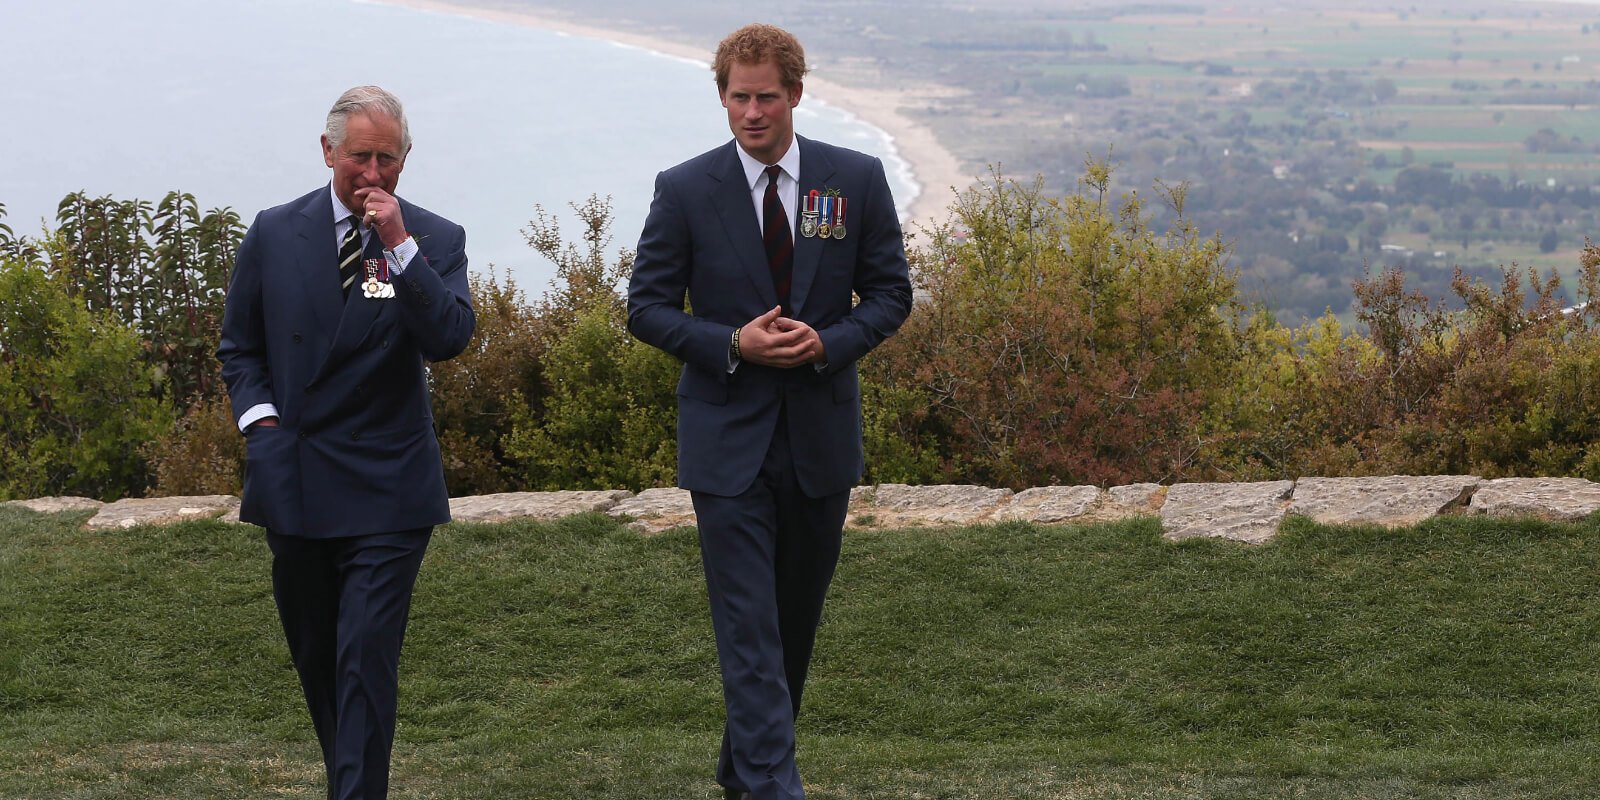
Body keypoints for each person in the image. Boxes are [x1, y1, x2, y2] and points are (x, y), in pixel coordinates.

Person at [626, 23, 914, 800]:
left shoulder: (853, 177)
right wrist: (732, 343)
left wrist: (828, 343)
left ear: (795, 93)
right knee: (747, 625)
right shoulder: (684, 189)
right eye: (738, 97)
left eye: (766, 97)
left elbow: (892, 295)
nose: (752, 112)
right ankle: (772, 787)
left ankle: (740, 771)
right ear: (722, 96)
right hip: (726, 444)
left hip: (820, 440)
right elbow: (647, 309)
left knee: (789, 628)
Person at [216, 85, 474, 800]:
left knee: (365, 657)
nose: (372, 173)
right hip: (294, 475)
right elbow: (240, 348)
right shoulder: (274, 230)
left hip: (390, 485)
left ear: (404, 161)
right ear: (328, 150)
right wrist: (262, 427)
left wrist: (398, 247)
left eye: (387, 159)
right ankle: (350, 784)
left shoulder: (434, 238)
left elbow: (449, 338)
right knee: (320, 657)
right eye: (359, 156)